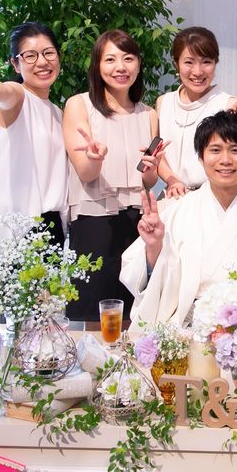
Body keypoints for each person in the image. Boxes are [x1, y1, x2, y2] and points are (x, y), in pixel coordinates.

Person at [120, 110, 237, 328]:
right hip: (186, 326)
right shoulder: (178, 211)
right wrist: (153, 247)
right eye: (215, 150)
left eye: (235, 150)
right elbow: (137, 274)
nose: (225, 160)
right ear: (201, 158)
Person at [63, 30, 162, 321]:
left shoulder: (149, 115)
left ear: (139, 65)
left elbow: (147, 180)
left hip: (137, 223)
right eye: (110, 59)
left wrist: (152, 170)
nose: (120, 67)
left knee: (134, 309)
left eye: (128, 58)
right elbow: (85, 172)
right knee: (90, 310)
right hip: (94, 219)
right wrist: (94, 159)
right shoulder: (79, 105)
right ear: (97, 65)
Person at [157, 27, 237, 197]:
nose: (197, 72)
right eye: (189, 62)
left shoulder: (228, 104)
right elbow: (157, 153)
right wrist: (172, 181)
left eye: (206, 62)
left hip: (213, 198)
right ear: (176, 63)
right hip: (172, 196)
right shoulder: (164, 102)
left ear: (215, 63)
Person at [0, 22, 68, 245]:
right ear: (15, 65)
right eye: (30, 56)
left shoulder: (58, 113)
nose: (42, 62)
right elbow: (2, 90)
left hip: (53, 226)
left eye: (49, 53)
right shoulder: (18, 96)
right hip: (18, 229)